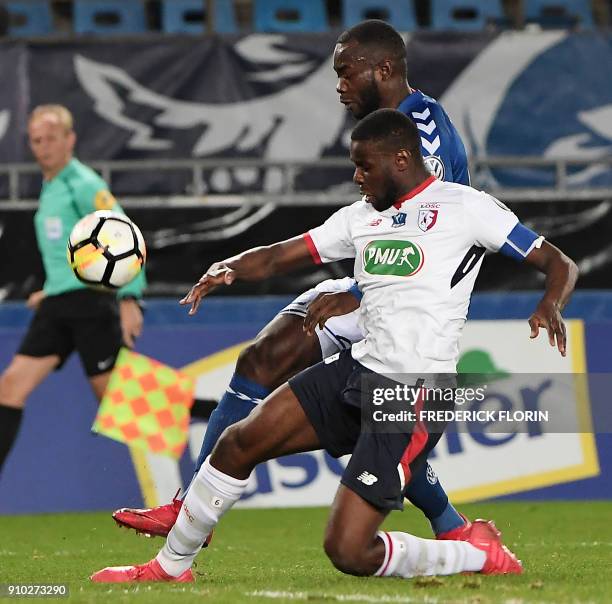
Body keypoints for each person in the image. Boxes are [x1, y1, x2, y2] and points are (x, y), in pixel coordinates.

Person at [91, 109, 577, 583]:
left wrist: (550, 302)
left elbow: (559, 262)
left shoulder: (466, 207)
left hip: (412, 391)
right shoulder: (362, 218)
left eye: (365, 166)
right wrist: (229, 267)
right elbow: (283, 254)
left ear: (402, 159)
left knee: (348, 550)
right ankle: (170, 568)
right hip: (357, 370)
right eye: (354, 166)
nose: (357, 177)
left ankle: (474, 554)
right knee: (237, 442)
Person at [113, 19, 474, 544]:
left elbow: (434, 235)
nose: (339, 86)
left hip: (406, 303)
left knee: (369, 417)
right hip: (372, 284)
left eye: (347, 73)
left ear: (385, 69)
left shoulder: (422, 133)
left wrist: (354, 292)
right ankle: (189, 506)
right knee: (264, 359)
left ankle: (452, 528)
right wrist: (238, 264)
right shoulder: (390, 128)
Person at [0, 104, 146, 474]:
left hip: (89, 305)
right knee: (9, 390)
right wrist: (50, 289)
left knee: (122, 405)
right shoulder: (50, 187)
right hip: (60, 305)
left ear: (70, 139)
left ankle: (219, 418)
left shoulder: (83, 184)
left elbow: (126, 238)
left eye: (51, 138)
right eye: (36, 140)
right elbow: (71, 255)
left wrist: (130, 298)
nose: (43, 147)